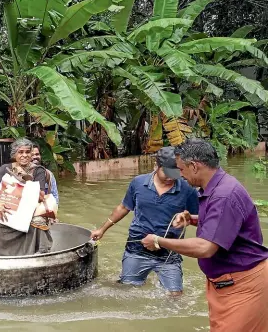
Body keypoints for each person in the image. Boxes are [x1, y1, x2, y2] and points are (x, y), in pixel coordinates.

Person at [142, 139, 268, 332]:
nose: (180, 175)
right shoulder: (218, 187)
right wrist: (192, 219)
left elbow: (205, 247)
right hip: (227, 283)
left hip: (243, 285)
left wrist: (159, 241)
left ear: (194, 166)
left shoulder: (223, 195)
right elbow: (225, 223)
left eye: (181, 169)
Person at [91, 146, 199, 295]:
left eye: (176, 173)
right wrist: (102, 229)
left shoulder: (188, 189)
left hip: (169, 252)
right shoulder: (138, 183)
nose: (171, 177)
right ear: (156, 166)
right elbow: (123, 207)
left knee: (175, 297)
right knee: (128, 292)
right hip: (137, 249)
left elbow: (200, 219)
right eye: (166, 172)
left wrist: (187, 219)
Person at [0, 138, 52, 256]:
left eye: (27, 152)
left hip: (28, 208)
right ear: (14, 154)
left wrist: (26, 178)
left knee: (38, 221)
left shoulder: (38, 170)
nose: (24, 155)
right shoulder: (5, 168)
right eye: (20, 152)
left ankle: (38, 253)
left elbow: (41, 197)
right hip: (9, 205)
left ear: (32, 154)